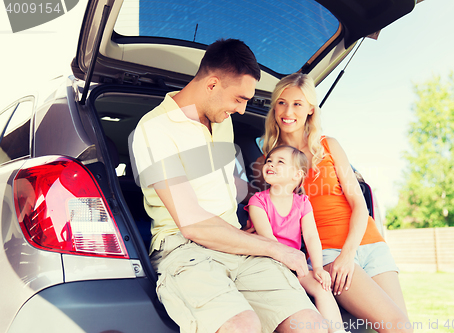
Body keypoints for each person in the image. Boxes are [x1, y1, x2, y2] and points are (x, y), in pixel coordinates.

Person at [130, 39, 327, 333]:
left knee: (308, 323)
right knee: (241, 325)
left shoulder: (222, 119)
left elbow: (227, 182)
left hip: (235, 241)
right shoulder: (155, 128)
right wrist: (276, 248)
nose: (243, 109)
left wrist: (263, 201)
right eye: (239, 99)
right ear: (212, 85)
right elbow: (192, 224)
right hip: (185, 249)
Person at [252, 73, 413, 333]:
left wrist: (349, 255)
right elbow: (269, 212)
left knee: (402, 329)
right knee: (397, 326)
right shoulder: (268, 163)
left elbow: (358, 204)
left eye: (297, 104)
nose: (288, 111)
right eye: (281, 102)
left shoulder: (328, 146)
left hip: (369, 244)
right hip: (327, 252)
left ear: (310, 110)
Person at [246, 145, 349, 333]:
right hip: (270, 264)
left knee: (321, 286)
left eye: (280, 162)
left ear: (296, 175)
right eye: (269, 160)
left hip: (296, 265)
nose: (271, 164)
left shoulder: (302, 203)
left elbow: (311, 236)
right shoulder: (258, 201)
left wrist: (318, 268)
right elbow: (269, 241)